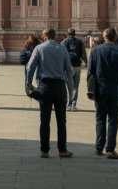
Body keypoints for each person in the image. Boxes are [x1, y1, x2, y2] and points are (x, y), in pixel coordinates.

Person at [26, 28, 74, 159]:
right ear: (55, 36)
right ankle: (62, 150)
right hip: (60, 87)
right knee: (61, 120)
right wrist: (71, 92)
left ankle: (44, 150)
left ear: (45, 36)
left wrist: (28, 84)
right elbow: (69, 71)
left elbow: (30, 67)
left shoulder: (39, 48)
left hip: (45, 86)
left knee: (45, 119)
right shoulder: (62, 48)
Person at [87, 27, 118, 159]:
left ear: (104, 37)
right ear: (115, 37)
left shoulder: (95, 51)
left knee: (100, 118)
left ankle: (99, 147)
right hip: (116, 89)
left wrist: (90, 90)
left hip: (100, 89)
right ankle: (110, 149)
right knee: (113, 119)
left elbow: (90, 73)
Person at [61, 28, 87, 111]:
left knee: (68, 86)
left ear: (68, 34)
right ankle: (74, 105)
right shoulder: (80, 42)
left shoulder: (64, 42)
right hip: (77, 66)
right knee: (76, 86)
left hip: (68, 67)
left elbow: (61, 54)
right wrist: (86, 62)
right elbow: (83, 53)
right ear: (75, 33)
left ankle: (68, 105)